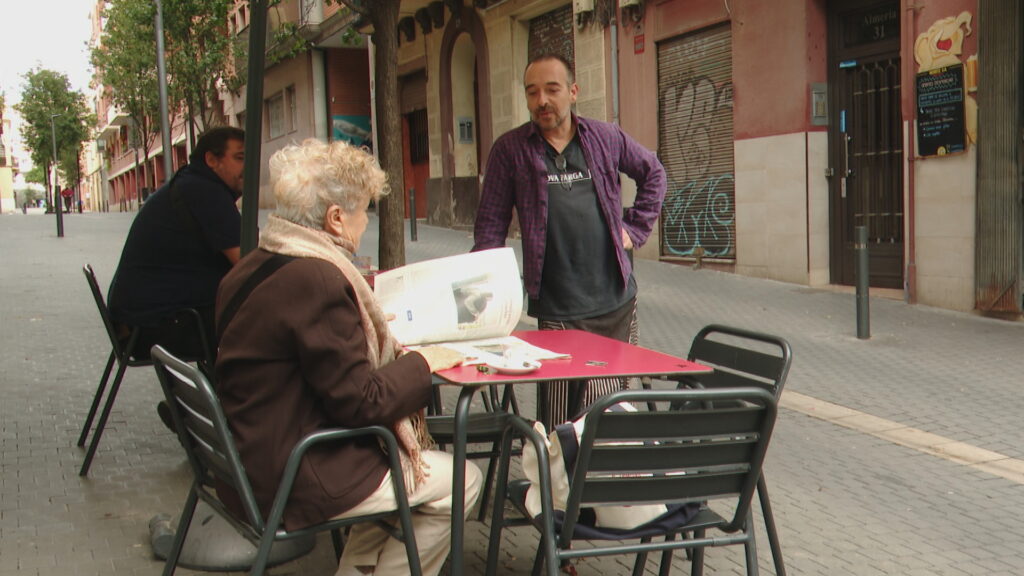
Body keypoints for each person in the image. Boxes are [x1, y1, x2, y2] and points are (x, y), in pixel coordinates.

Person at [214, 138, 482, 576]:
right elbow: (362, 403)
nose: (364, 224)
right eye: (363, 212)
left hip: (253, 454)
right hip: (297, 468)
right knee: (462, 480)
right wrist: (424, 362)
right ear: (336, 218)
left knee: (403, 486)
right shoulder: (317, 278)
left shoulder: (253, 264)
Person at [473, 54, 667, 426]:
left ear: (573, 92)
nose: (542, 100)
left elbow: (653, 173)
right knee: (561, 419)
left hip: (617, 302)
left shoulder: (605, 138)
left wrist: (636, 229)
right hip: (558, 309)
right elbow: (490, 226)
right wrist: (485, 294)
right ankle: (559, 484)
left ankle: (611, 481)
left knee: (615, 409)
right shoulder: (511, 151)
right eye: (532, 93)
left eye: (552, 89)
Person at [107, 126, 245, 364]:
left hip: (139, 323)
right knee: (263, 327)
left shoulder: (192, 183)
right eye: (240, 158)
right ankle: (241, 398)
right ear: (211, 160)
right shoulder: (206, 192)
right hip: (154, 330)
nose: (249, 167)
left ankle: (225, 396)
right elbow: (249, 264)